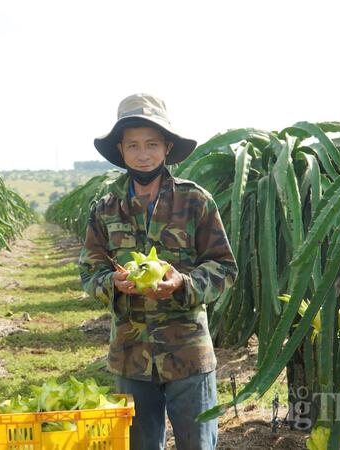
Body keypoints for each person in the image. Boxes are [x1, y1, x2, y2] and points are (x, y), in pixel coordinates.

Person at [78, 93, 238, 450]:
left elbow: (224, 267)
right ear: (121, 150)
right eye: (133, 145)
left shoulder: (195, 201)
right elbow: (89, 272)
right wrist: (113, 283)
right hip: (130, 355)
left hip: (188, 353)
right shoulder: (105, 208)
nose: (143, 153)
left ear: (167, 148)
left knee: (198, 444)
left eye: (151, 144)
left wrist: (184, 283)